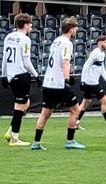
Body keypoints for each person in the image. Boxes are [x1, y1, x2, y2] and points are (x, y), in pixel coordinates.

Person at [31, 16, 85, 150]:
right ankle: (70, 141)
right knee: (75, 110)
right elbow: (65, 62)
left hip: (48, 82)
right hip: (59, 83)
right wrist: (67, 80)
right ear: (71, 30)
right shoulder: (67, 43)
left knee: (45, 113)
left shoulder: (56, 41)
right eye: (75, 28)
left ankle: (36, 143)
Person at [1, 13, 41, 146]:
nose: (31, 27)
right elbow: (26, 61)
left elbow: (4, 58)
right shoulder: (25, 39)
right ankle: (14, 137)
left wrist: (3, 75)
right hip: (21, 74)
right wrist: (36, 75)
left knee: (26, 103)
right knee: (19, 106)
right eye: (30, 24)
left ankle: (11, 130)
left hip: (11, 75)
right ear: (25, 25)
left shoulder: (9, 37)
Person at [77, 35, 106, 130]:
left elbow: (101, 67)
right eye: (105, 42)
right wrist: (83, 81)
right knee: (105, 101)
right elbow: (86, 66)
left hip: (92, 81)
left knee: (85, 102)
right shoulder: (95, 53)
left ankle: (75, 122)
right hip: (91, 82)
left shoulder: (102, 54)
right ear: (100, 43)